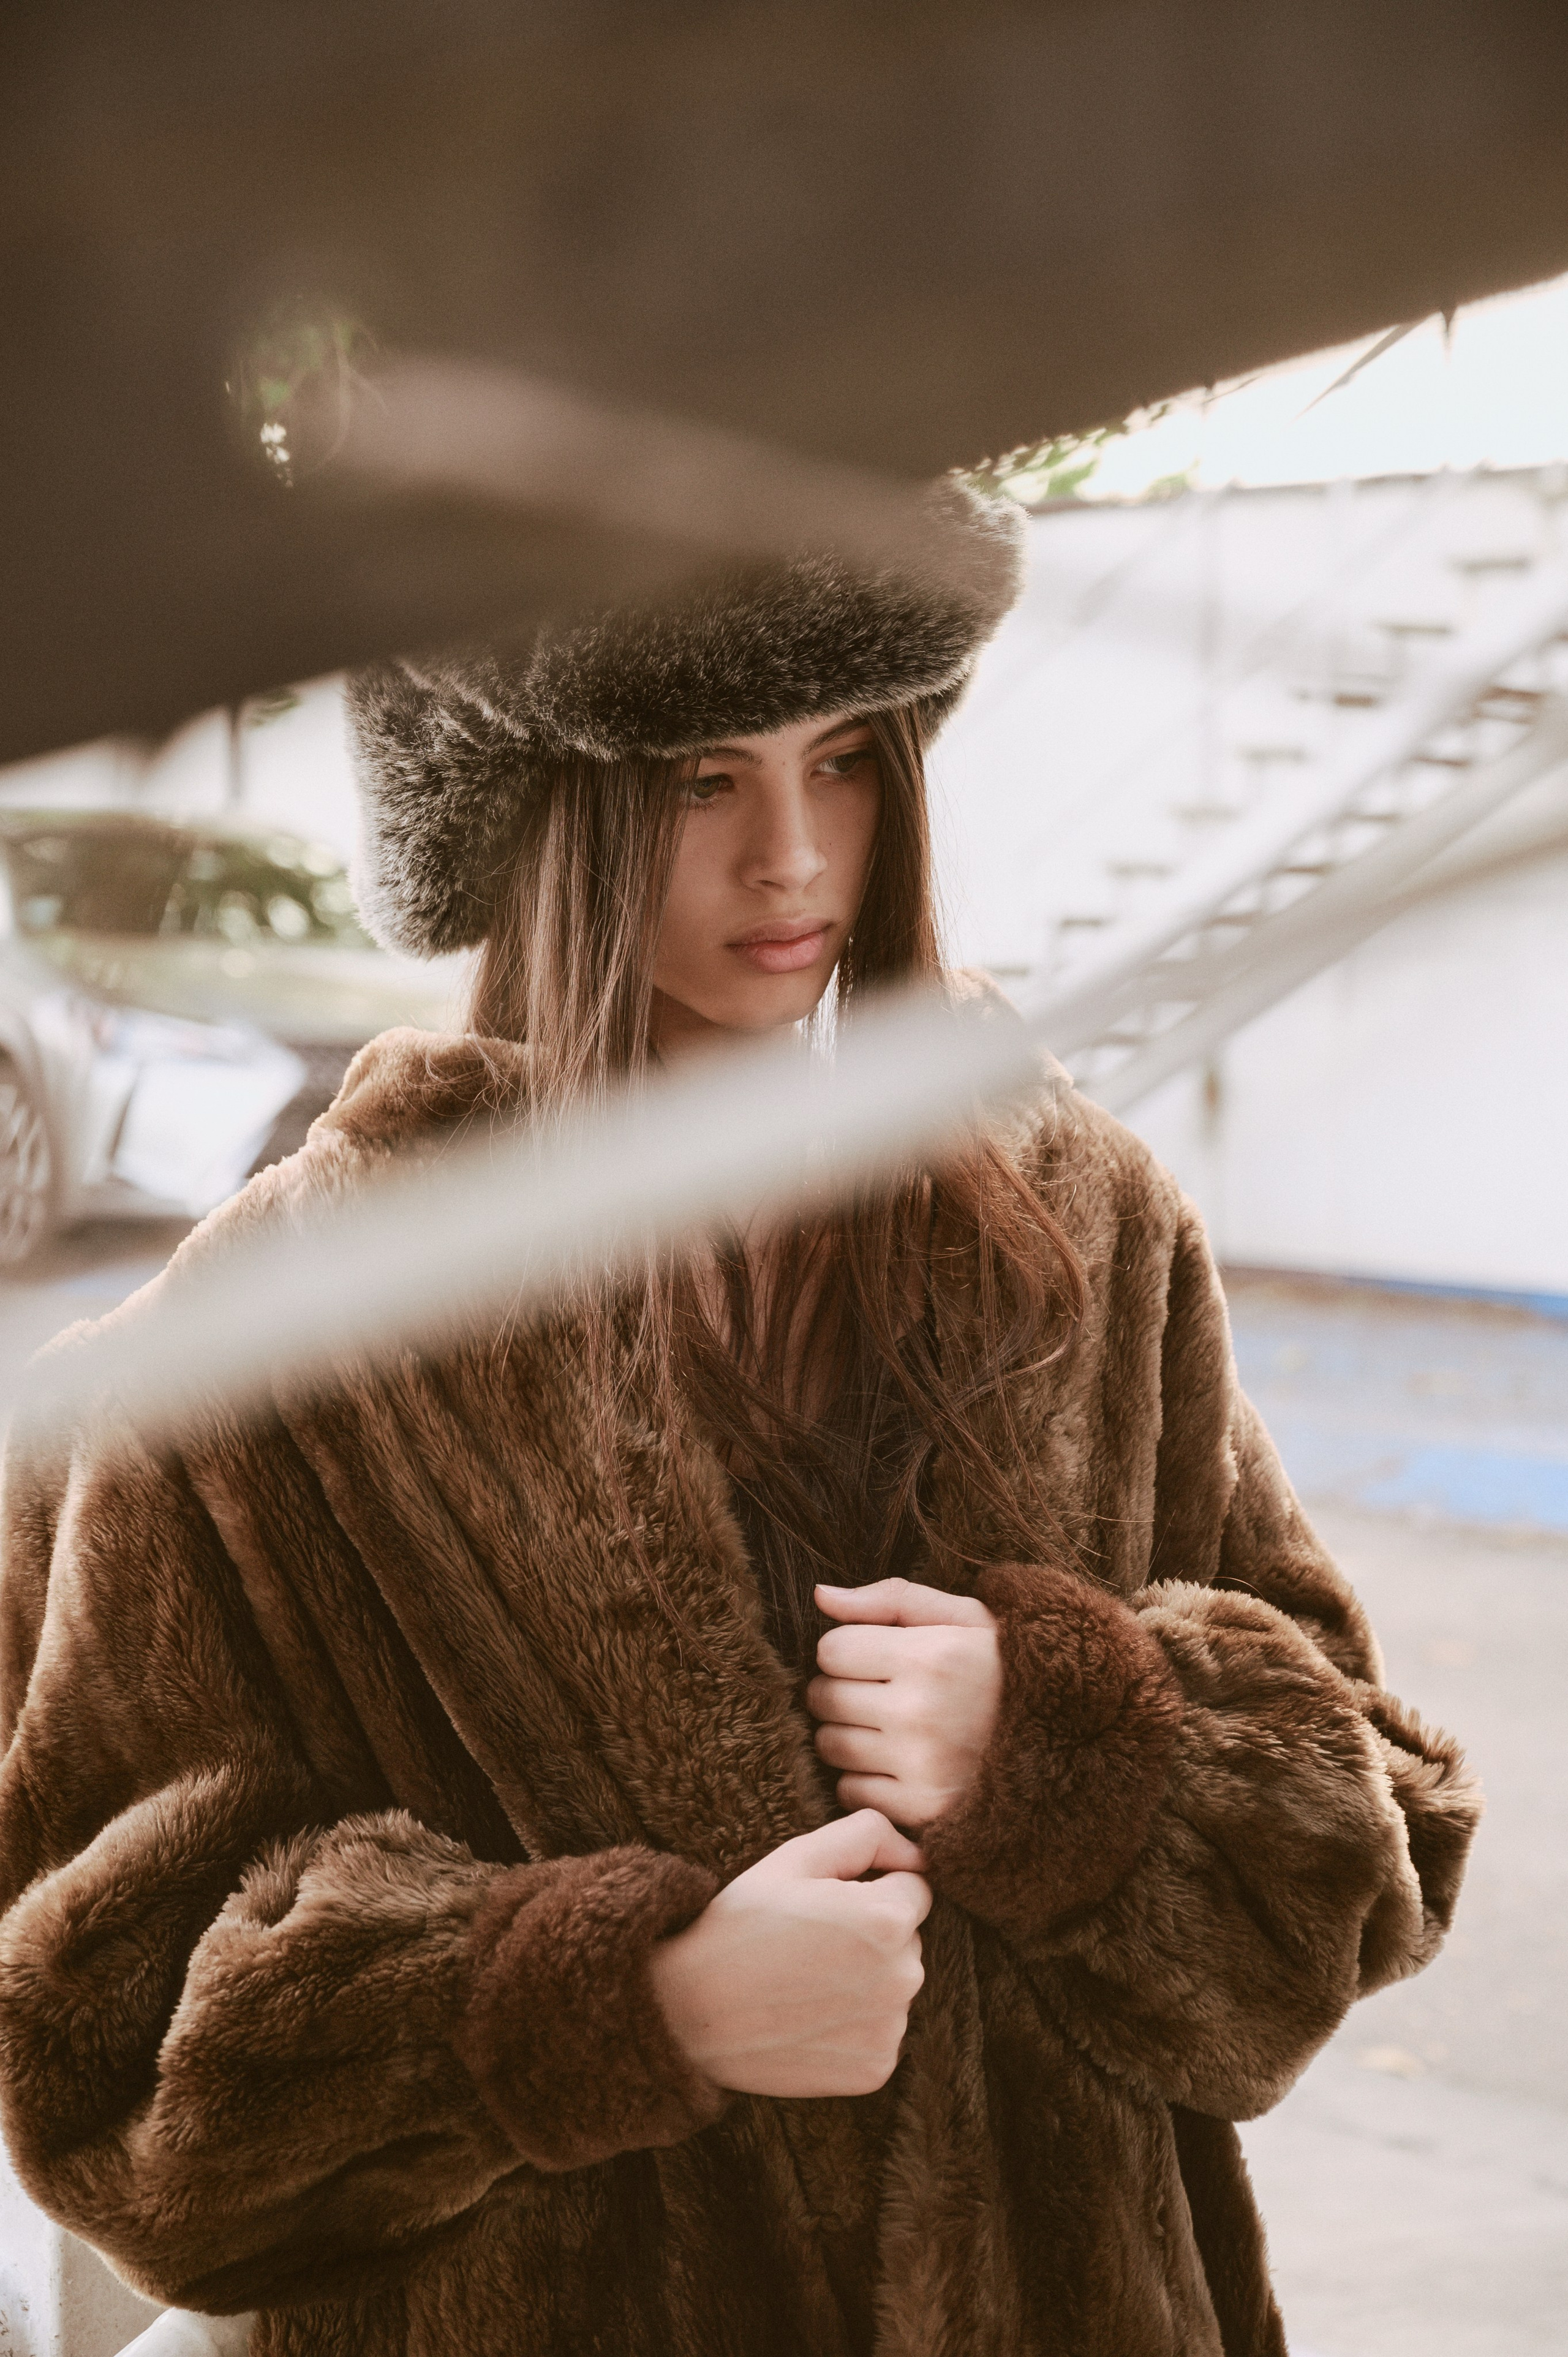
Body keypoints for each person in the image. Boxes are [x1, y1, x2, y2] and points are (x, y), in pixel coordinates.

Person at [0, 485, 1477, 2357]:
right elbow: (114, 2063)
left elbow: (1379, 1848)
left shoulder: (1079, 1227)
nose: (794, 856)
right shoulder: (262, 1353)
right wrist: (626, 2006)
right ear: (535, 809)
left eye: (848, 759)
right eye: (703, 778)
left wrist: (1070, 1747)